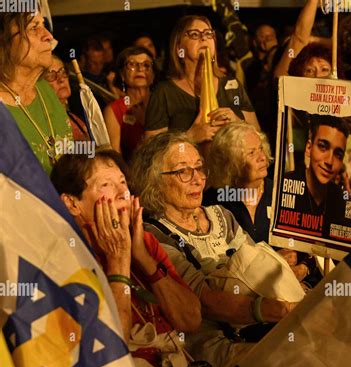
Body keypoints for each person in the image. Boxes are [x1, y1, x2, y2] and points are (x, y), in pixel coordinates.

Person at [129, 132, 299, 367]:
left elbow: (256, 264)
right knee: (292, 363)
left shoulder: (221, 215)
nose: (197, 179)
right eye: (183, 172)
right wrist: (282, 310)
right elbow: (205, 302)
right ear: (154, 181)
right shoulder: (154, 236)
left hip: (260, 325)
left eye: (199, 168)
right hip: (212, 346)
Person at [50, 149, 201, 367]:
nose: (123, 193)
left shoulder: (143, 242)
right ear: (72, 203)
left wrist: (143, 258)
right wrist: (118, 261)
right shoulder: (64, 259)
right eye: (106, 185)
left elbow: (191, 320)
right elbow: (111, 349)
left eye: (123, 182)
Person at [206, 122, 318, 284]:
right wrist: (271, 261)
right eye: (251, 153)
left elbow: (317, 249)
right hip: (241, 293)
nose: (262, 157)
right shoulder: (213, 202)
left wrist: (302, 268)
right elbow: (216, 264)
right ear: (230, 162)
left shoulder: (285, 192)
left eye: (261, 148)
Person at [144, 15, 260, 144]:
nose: (204, 38)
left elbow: (259, 136)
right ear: (179, 49)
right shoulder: (164, 92)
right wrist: (190, 137)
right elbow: (151, 151)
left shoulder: (232, 85)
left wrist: (238, 123)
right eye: (194, 34)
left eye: (208, 34)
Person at [0, 11, 73, 175]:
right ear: (4, 41)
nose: (48, 36)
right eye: (34, 28)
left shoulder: (45, 89)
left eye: (44, 26)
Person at [282, 114, 351, 241]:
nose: (329, 161)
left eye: (338, 154)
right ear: (308, 148)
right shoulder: (284, 185)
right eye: (323, 146)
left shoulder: (342, 198)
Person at [104, 46, 156, 162]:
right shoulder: (114, 110)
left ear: (153, 76)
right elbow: (115, 155)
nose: (140, 69)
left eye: (146, 65)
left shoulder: (162, 102)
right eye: (132, 65)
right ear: (122, 75)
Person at [44, 55, 90, 142]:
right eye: (51, 75)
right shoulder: (45, 124)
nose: (61, 79)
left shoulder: (77, 119)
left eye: (62, 72)